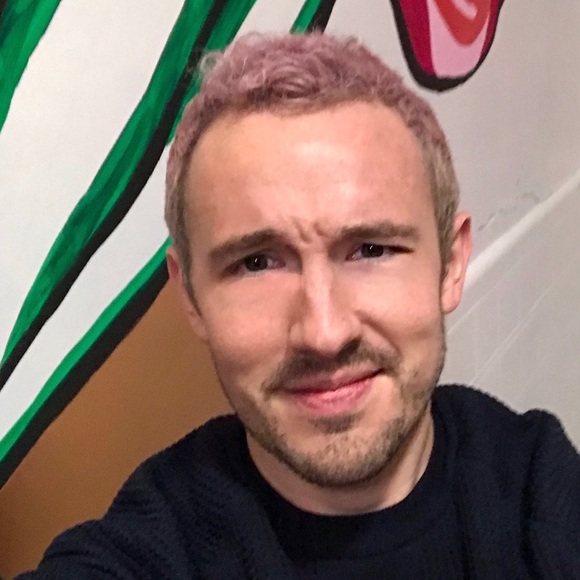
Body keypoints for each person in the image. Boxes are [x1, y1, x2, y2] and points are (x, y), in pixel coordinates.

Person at [19, 32, 580, 579]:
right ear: (189, 294)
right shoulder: (148, 547)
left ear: (450, 265)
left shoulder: (538, 483)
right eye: (257, 262)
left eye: (371, 249)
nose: (324, 333)